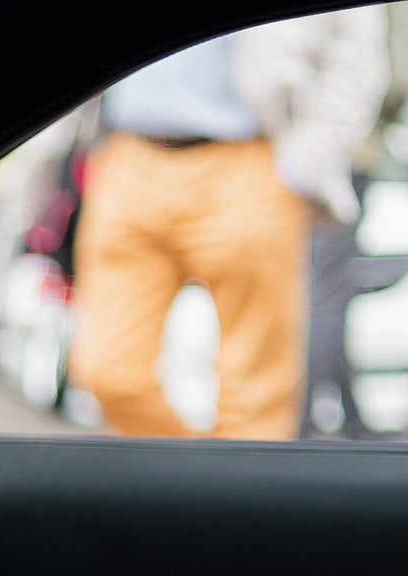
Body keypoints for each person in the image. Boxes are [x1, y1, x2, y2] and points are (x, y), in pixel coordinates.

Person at [69, 13, 389, 440]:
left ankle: (236, 500)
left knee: (256, 396)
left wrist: (303, 164)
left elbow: (358, 62)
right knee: (108, 375)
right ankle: (198, 488)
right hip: (129, 157)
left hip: (247, 162)